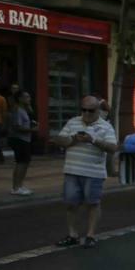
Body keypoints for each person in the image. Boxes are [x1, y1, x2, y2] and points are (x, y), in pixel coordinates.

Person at [51, 96, 117, 249]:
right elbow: (59, 140)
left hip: (93, 172)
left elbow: (113, 148)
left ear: (98, 111)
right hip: (72, 170)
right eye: (84, 110)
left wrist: (92, 140)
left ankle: (90, 235)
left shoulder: (105, 126)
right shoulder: (73, 122)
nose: (87, 114)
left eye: (91, 111)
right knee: (70, 203)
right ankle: (73, 235)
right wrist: (74, 139)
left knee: (92, 203)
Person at [7, 90, 37, 195]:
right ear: (20, 99)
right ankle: (15, 187)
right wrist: (32, 130)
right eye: (26, 97)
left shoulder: (24, 110)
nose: (29, 99)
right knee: (21, 163)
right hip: (19, 139)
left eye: (29, 97)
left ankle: (20, 185)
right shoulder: (17, 110)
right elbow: (17, 127)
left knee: (25, 163)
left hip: (25, 139)